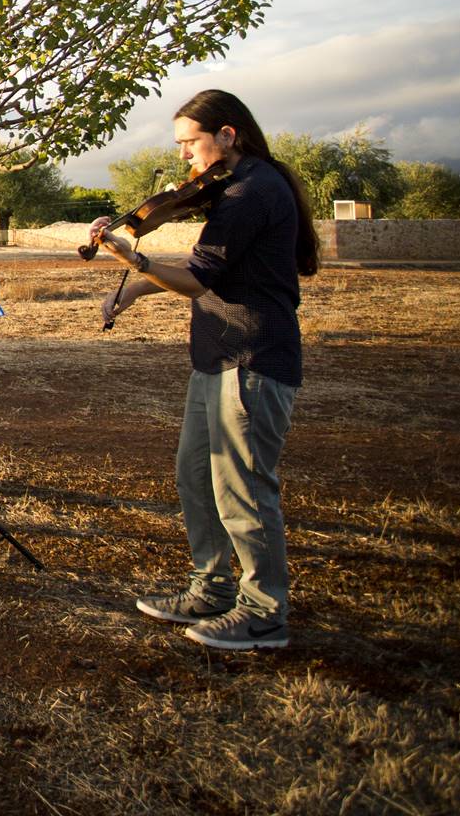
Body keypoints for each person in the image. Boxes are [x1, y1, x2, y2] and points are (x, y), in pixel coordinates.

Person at [88, 89, 319, 651]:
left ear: (227, 135)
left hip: (252, 359)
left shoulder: (251, 191)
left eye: (190, 143)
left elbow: (199, 278)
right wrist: (139, 287)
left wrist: (131, 259)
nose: (184, 157)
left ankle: (264, 613)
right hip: (216, 357)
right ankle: (213, 586)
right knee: (196, 476)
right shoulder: (232, 189)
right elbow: (209, 270)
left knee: (243, 489)